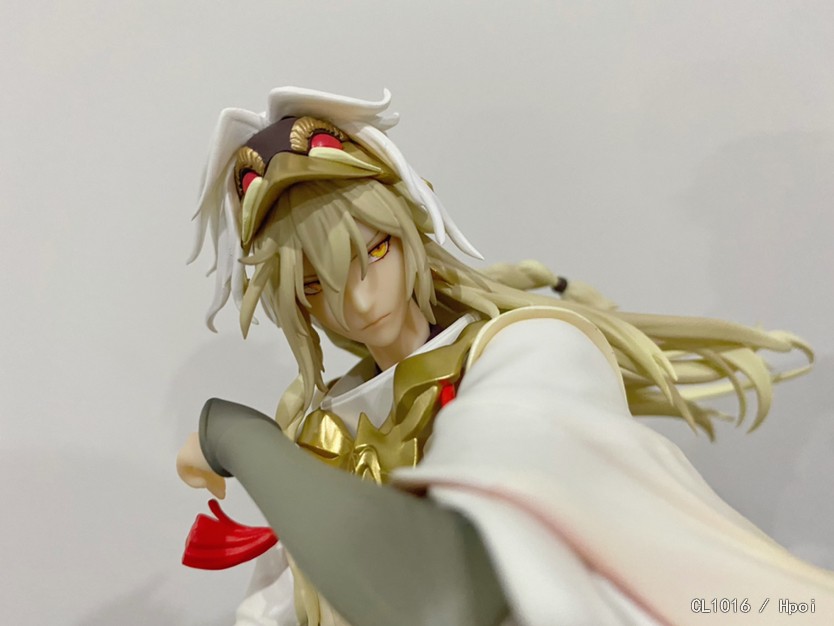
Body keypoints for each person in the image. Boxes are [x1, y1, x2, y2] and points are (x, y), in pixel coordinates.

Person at [177, 87, 834, 625]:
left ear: (411, 230)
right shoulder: (319, 432)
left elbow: (443, 598)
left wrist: (235, 437)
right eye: (315, 285)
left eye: (374, 250)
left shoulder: (530, 354)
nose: (360, 298)